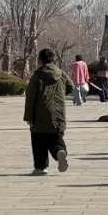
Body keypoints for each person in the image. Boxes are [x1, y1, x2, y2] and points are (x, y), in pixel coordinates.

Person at [23, 48, 71, 176]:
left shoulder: (37, 76)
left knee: (39, 140)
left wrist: (28, 116)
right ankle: (60, 152)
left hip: (40, 115)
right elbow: (70, 86)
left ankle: (41, 167)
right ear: (53, 59)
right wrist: (60, 93)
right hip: (58, 114)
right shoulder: (61, 73)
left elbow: (30, 97)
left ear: (40, 61)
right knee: (56, 138)